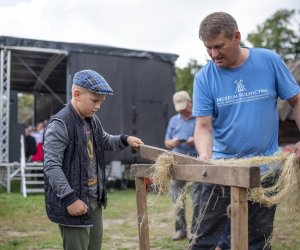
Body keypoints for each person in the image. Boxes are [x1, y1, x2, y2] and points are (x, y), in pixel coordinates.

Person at [191, 12, 300, 250]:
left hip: (265, 170)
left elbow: (296, 101)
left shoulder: (269, 61)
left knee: (258, 241)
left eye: (219, 46)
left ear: (237, 36)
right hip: (221, 170)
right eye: (208, 48)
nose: (213, 54)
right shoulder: (204, 78)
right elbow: (203, 126)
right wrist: (204, 156)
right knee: (204, 240)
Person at [43, 69, 144, 250]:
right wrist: (70, 199)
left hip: (94, 200)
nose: (98, 106)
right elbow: (51, 166)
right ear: (77, 94)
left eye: (101, 102)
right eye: (94, 101)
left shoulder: (92, 120)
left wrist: (125, 139)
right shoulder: (60, 124)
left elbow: (104, 140)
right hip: (74, 201)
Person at [164, 90, 203, 241]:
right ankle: (180, 230)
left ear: (190, 102)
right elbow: (166, 141)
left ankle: (195, 230)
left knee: (198, 197)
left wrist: (196, 140)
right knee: (177, 198)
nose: (181, 110)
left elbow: (207, 136)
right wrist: (172, 143)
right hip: (177, 162)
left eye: (183, 106)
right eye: (178, 107)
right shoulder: (174, 120)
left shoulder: (199, 118)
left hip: (195, 161)